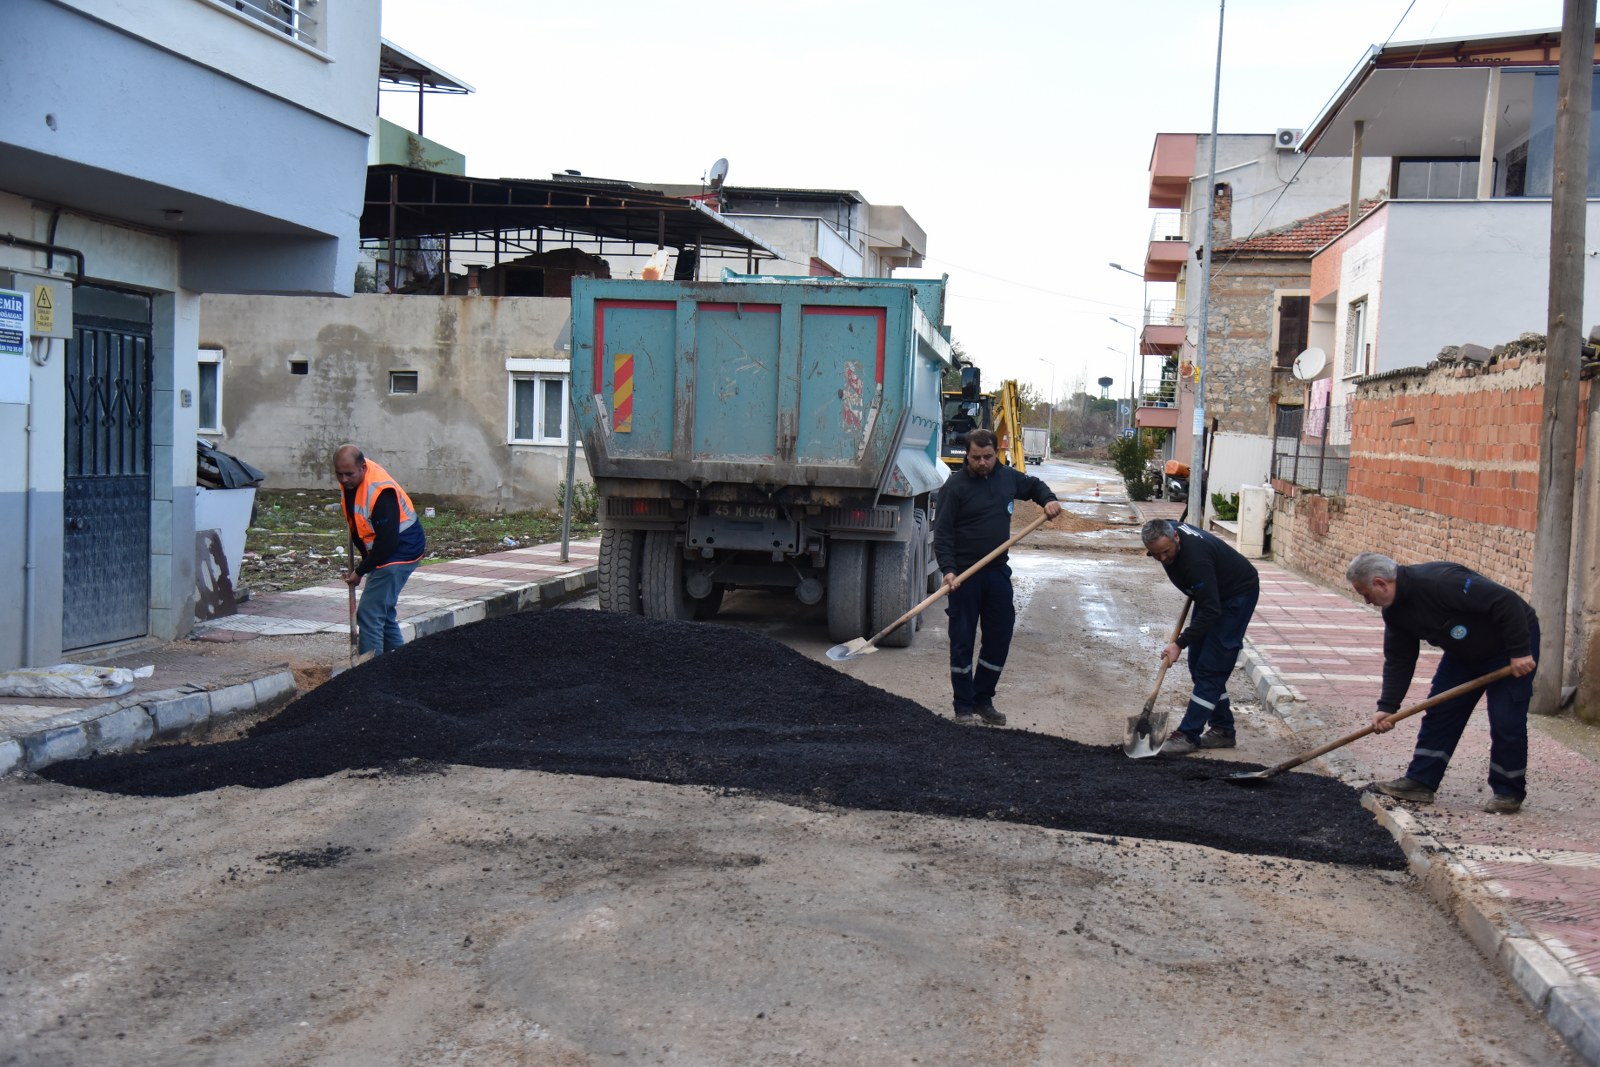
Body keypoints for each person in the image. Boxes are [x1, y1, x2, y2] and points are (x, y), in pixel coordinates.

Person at [1346, 552, 1539, 814]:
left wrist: (1520, 651)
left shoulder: (1439, 582)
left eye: (1365, 593)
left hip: (1510, 646)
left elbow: (1505, 601)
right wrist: (1387, 706)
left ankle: (1508, 792)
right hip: (1463, 654)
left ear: (1381, 583)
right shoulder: (1394, 613)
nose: (1367, 601)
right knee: (1441, 712)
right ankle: (1420, 782)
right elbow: (1399, 659)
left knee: (1506, 718)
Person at [932, 428, 1062, 726]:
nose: (982, 462)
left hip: (996, 573)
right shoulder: (955, 487)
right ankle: (963, 706)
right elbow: (943, 534)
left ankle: (983, 699)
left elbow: (1035, 485)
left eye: (988, 457)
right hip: (964, 575)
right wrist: (949, 570)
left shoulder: (1007, 477)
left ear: (996, 453)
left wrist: (1049, 499)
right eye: (976, 457)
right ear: (967, 455)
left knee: (1000, 635)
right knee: (962, 640)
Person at [1140, 519, 1260, 754]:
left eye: (1166, 552)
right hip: (1211, 595)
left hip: (1236, 595)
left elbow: (1212, 610)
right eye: (1156, 555)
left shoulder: (1196, 561)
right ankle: (1223, 730)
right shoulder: (1166, 531)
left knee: (1211, 667)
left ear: (1176, 537)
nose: (1163, 558)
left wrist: (1179, 643)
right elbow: (1207, 601)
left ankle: (1188, 734)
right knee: (1198, 664)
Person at [334, 444, 427, 656]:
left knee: (369, 612)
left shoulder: (380, 492)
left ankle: (369, 671)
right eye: (339, 474)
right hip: (389, 548)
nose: (344, 479)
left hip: (400, 550)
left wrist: (360, 571)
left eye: (349, 474)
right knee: (382, 613)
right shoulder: (353, 479)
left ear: (363, 467)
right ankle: (396, 665)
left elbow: (387, 543)